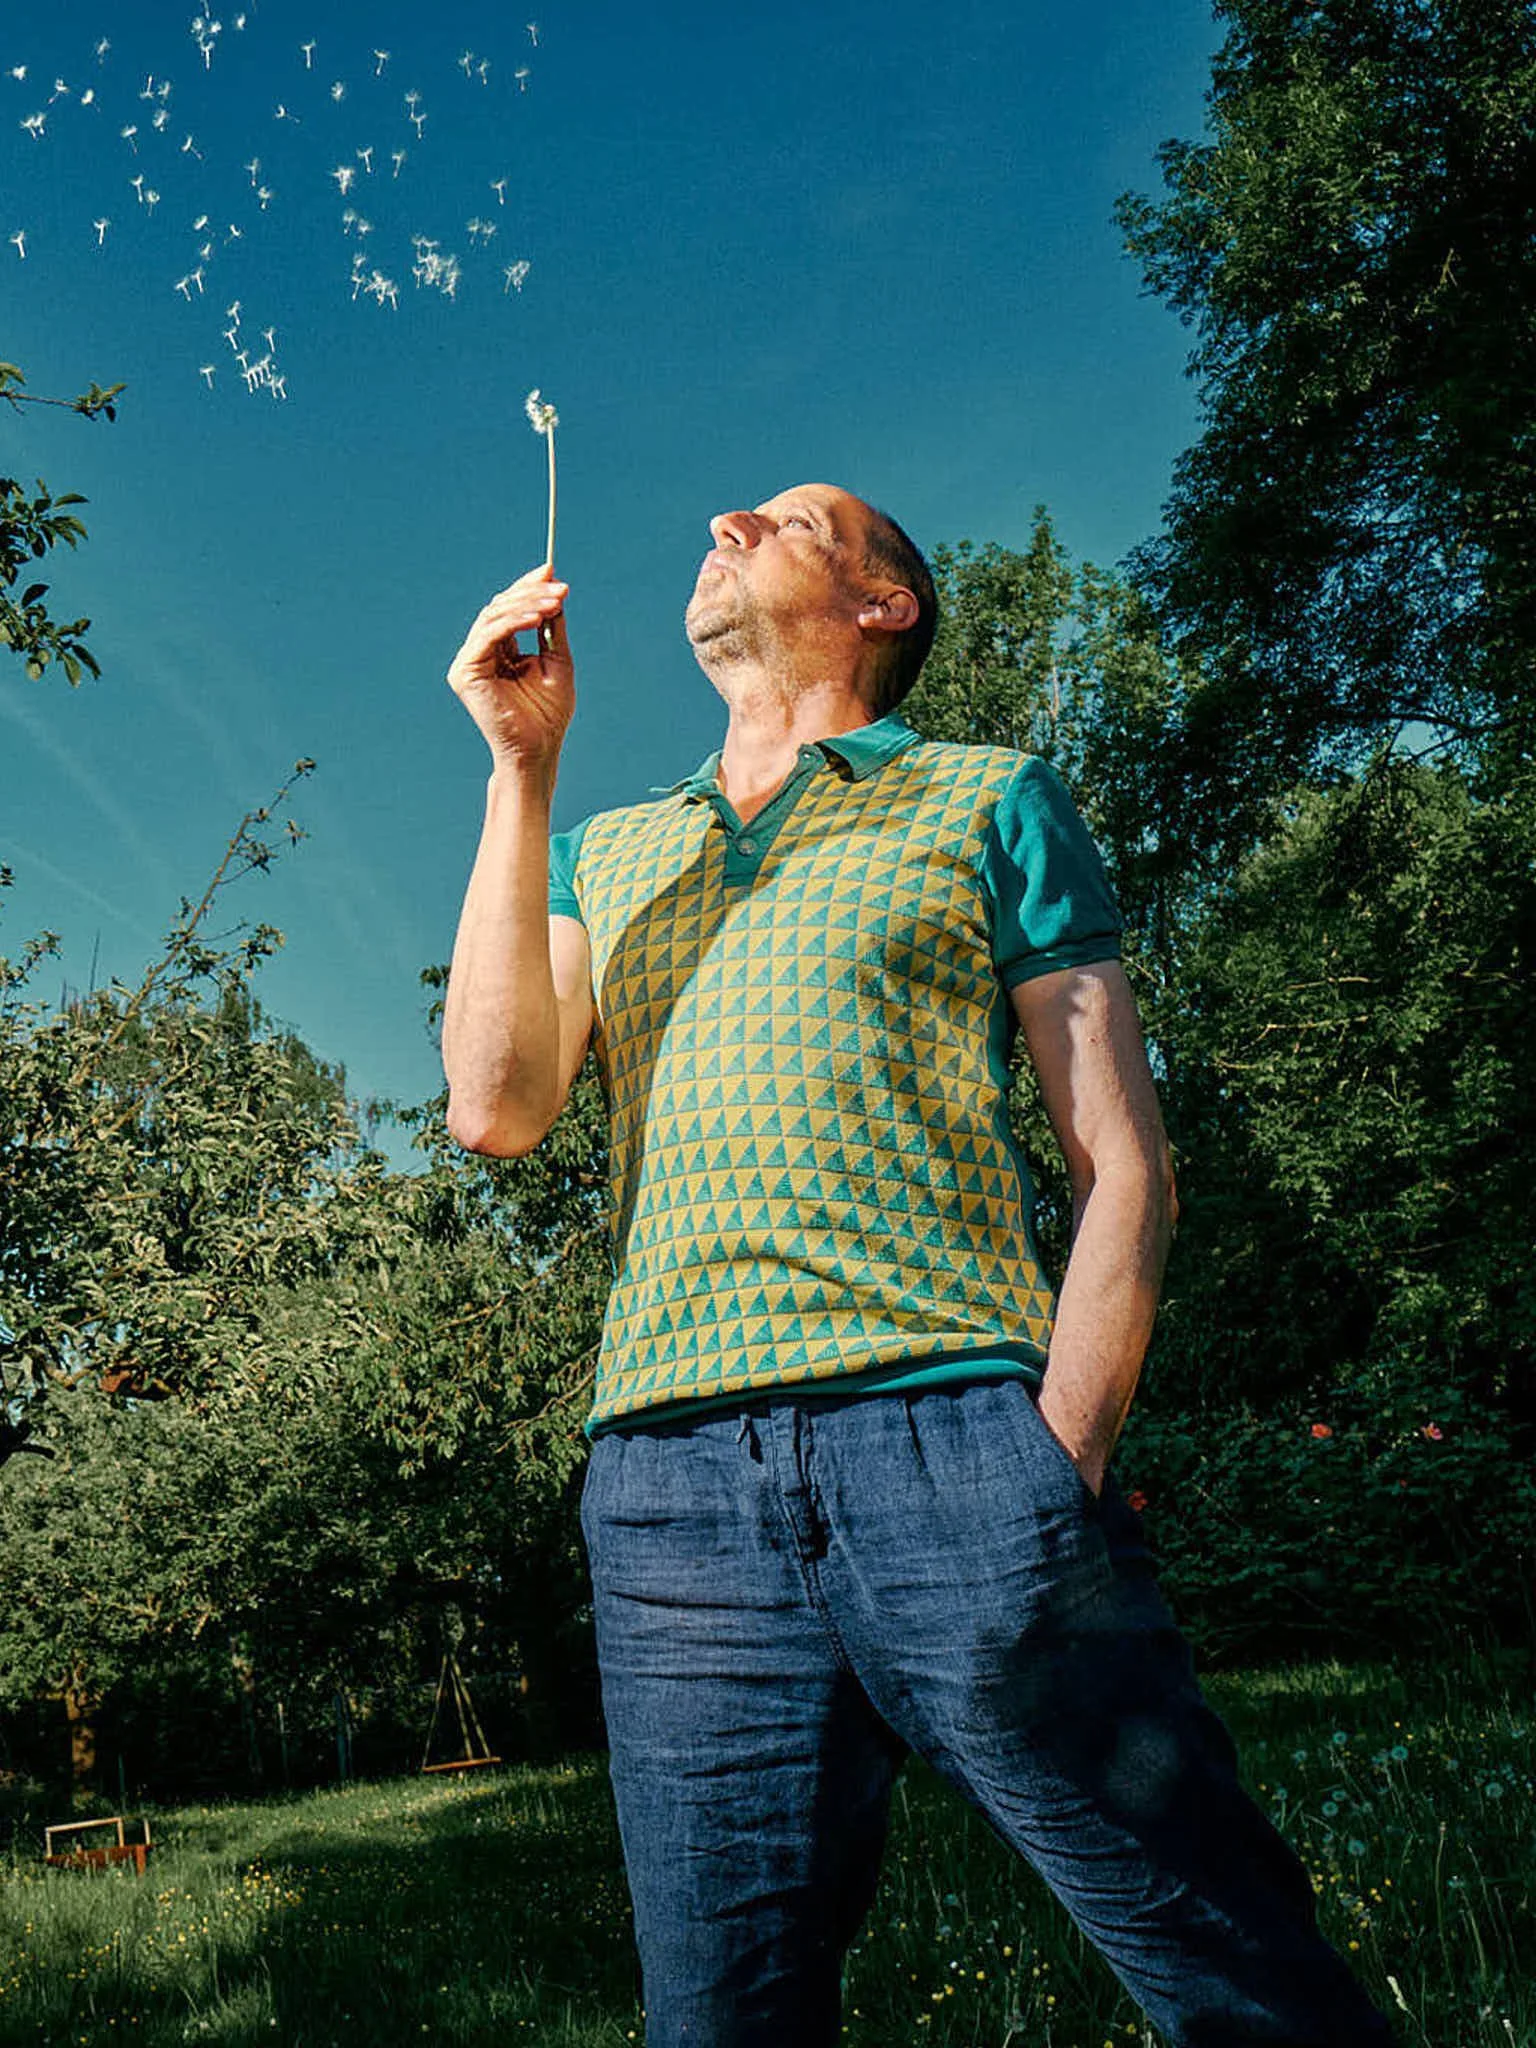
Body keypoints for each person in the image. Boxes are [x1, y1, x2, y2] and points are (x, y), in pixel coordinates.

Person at [441, 484, 1396, 2047]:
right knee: (721, 2017)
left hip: (954, 1451)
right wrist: (520, 771)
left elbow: (1124, 1161)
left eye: (800, 519)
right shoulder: (609, 851)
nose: (730, 514)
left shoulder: (985, 797)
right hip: (674, 1495)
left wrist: (1057, 1454)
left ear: (885, 607)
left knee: (1223, 1959)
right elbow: (493, 1106)